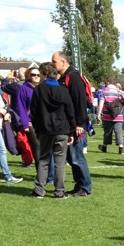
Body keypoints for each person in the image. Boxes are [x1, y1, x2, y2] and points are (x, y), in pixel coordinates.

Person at [29, 61, 75, 199]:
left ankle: (39, 190)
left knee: (44, 160)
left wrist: (37, 129)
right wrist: (71, 131)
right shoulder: (63, 90)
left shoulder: (39, 89)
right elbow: (70, 111)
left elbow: (34, 111)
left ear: (44, 74)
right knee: (60, 163)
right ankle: (59, 192)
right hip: (62, 130)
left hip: (45, 130)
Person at [51, 51, 92, 198]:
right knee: (70, 157)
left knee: (76, 156)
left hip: (76, 124)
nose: (52, 65)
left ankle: (85, 187)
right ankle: (79, 184)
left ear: (63, 62)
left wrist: (80, 123)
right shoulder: (64, 78)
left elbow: (80, 101)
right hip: (68, 124)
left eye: (54, 62)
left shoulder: (73, 77)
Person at [96, 78, 124, 154]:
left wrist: (99, 113)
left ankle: (104, 146)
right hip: (118, 116)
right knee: (118, 132)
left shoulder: (104, 92)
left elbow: (101, 103)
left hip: (107, 115)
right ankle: (121, 148)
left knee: (107, 132)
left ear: (107, 83)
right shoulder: (119, 92)